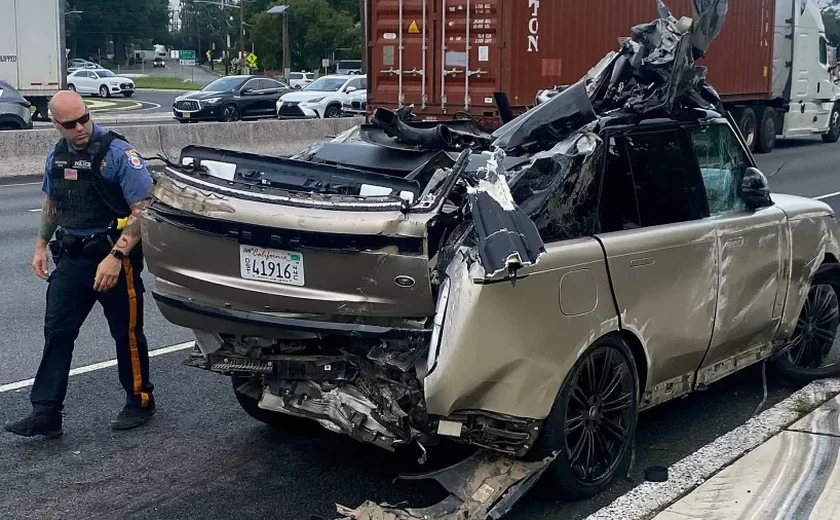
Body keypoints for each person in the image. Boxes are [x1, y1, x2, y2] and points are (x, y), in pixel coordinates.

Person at [4, 90, 156, 438]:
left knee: (126, 333)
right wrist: (40, 245)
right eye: (70, 124)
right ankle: (46, 411)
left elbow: (144, 209)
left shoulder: (117, 153)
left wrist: (116, 257)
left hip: (114, 258)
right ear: (55, 124)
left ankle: (140, 399)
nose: (81, 128)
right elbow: (52, 202)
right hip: (72, 257)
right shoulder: (56, 156)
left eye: (84, 118)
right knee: (57, 331)